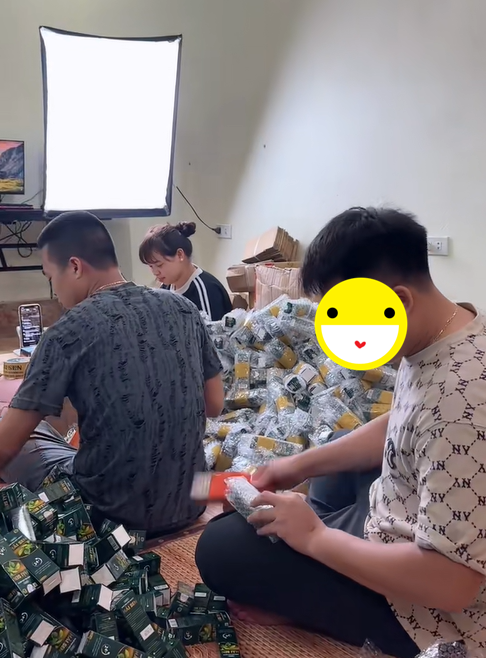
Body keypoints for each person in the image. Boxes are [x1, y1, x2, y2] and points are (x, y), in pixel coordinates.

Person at [196, 206, 486, 657]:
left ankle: (309, 598)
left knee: (218, 549)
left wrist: (315, 538)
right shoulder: (452, 329)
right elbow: (402, 423)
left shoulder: (460, 407)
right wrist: (296, 465)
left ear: (399, 300)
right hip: (402, 507)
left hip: (433, 603)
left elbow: (453, 585)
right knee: (329, 456)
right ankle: (314, 560)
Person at [0, 211, 224, 536]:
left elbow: (5, 448)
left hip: (109, 513)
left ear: (75, 267)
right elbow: (214, 404)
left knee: (19, 435)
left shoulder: (67, 332)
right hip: (190, 502)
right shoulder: (184, 308)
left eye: (51, 277)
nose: (55, 290)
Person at [139, 221, 232, 321]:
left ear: (180, 255)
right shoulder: (166, 287)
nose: (155, 272)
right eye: (151, 266)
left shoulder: (206, 290)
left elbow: (212, 330)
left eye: (159, 265)